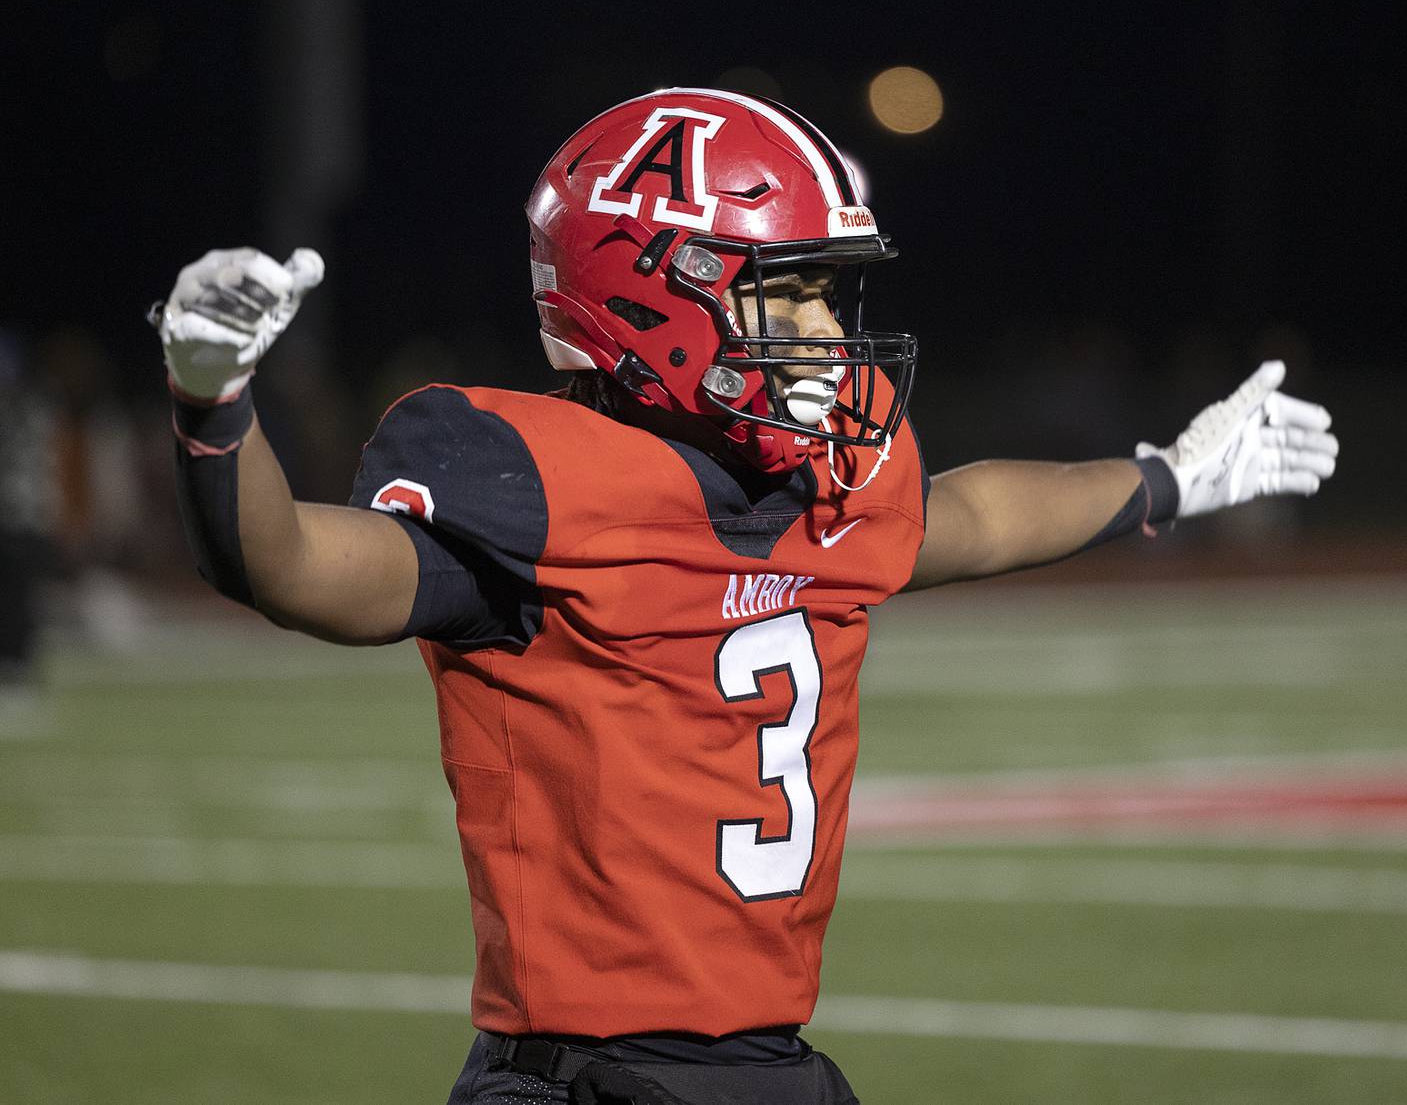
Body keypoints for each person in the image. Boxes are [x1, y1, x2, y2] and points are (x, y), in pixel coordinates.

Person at [152, 88, 1338, 1105]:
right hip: (588, 1074)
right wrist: (215, 401)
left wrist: (1169, 476)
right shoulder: (533, 491)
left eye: (832, 295)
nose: (830, 333)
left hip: (774, 1064)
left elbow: (979, 515)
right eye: (793, 294)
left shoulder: (827, 483)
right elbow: (292, 565)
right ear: (657, 296)